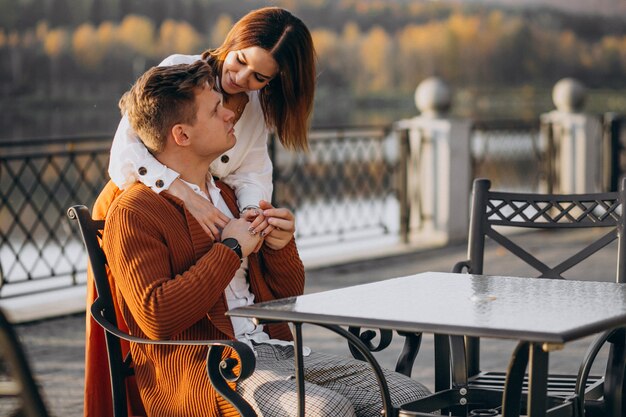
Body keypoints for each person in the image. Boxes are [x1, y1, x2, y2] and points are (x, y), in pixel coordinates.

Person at [95, 61, 431, 417]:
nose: (230, 115)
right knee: (326, 410)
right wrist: (231, 249)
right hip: (207, 371)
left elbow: (287, 299)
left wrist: (280, 246)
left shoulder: (228, 194)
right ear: (182, 135)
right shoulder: (135, 211)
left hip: (273, 349)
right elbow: (156, 316)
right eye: (215, 110)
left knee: (412, 397)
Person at [108, 6, 316, 240]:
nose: (240, 78)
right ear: (234, 41)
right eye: (240, 60)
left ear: (274, 81)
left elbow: (252, 173)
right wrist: (183, 193)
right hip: (141, 216)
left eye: (259, 77)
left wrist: (251, 213)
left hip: (201, 228)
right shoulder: (180, 69)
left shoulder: (257, 108)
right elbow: (123, 153)